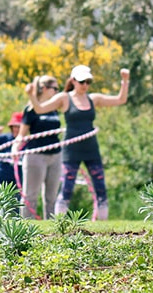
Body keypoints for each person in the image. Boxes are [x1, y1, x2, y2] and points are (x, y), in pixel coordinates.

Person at [26, 65, 130, 220]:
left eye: (88, 82)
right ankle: (60, 221)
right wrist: (31, 95)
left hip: (91, 148)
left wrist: (125, 81)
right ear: (73, 81)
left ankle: (102, 222)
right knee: (67, 187)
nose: (85, 85)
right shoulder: (64, 98)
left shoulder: (93, 99)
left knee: (100, 186)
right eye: (82, 82)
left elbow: (120, 99)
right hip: (71, 149)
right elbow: (40, 109)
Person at [16, 75, 63, 219]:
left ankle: (52, 228)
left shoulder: (54, 109)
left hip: (55, 154)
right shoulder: (30, 110)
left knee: (52, 196)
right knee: (31, 194)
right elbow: (22, 134)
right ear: (44, 88)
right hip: (36, 156)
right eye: (54, 88)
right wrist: (15, 149)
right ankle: (28, 226)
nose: (56, 91)